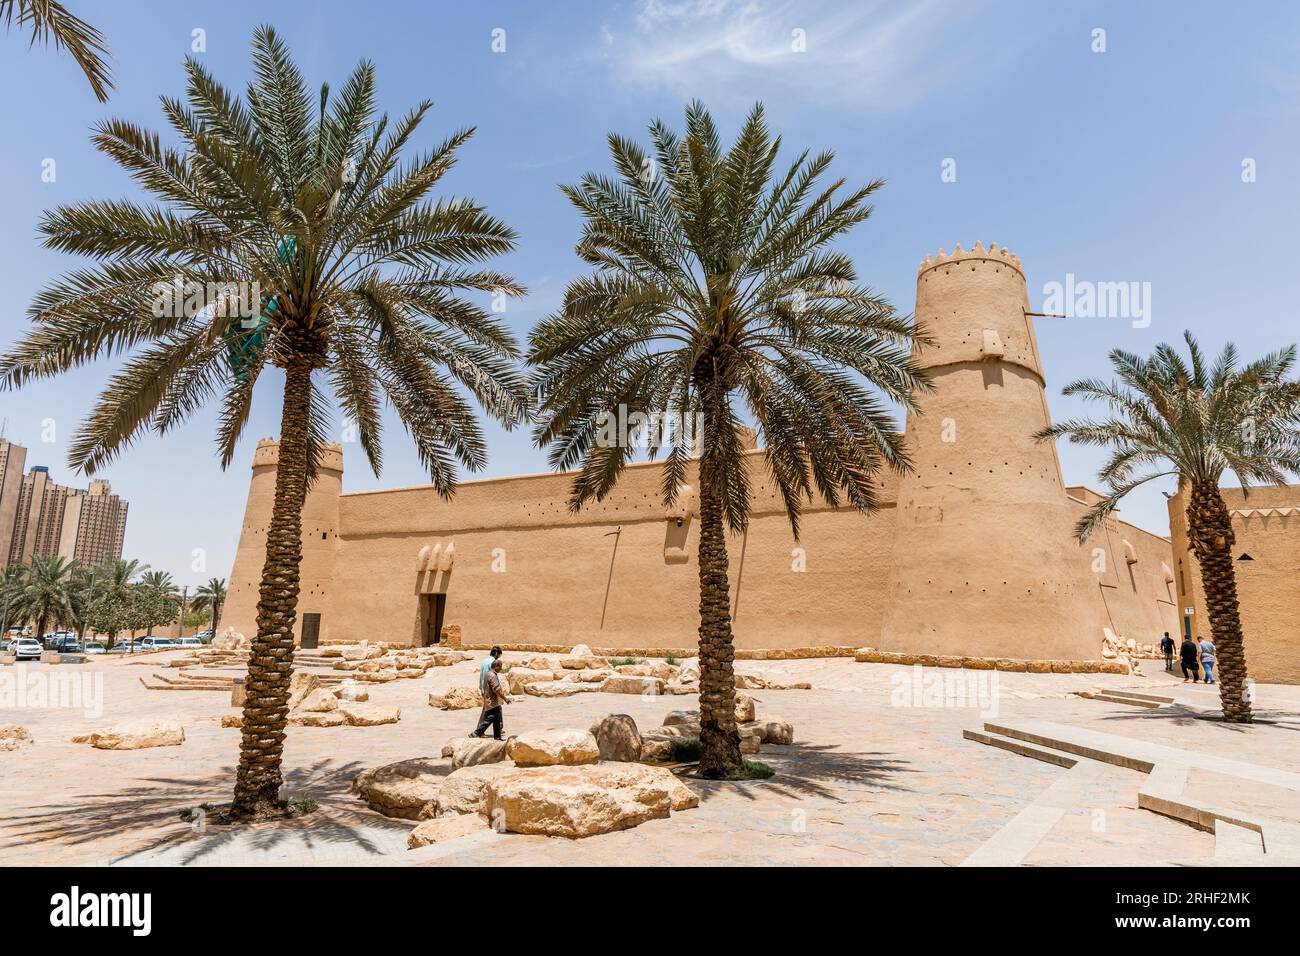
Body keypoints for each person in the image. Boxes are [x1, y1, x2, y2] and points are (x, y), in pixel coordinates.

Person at [471, 658, 511, 740]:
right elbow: (496, 690)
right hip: (493, 701)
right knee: (489, 719)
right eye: (500, 667)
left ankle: (497, 737)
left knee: (497, 719)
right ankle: (476, 733)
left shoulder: (487, 673)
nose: (501, 669)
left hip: (491, 701)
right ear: (496, 666)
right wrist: (505, 699)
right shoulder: (493, 675)